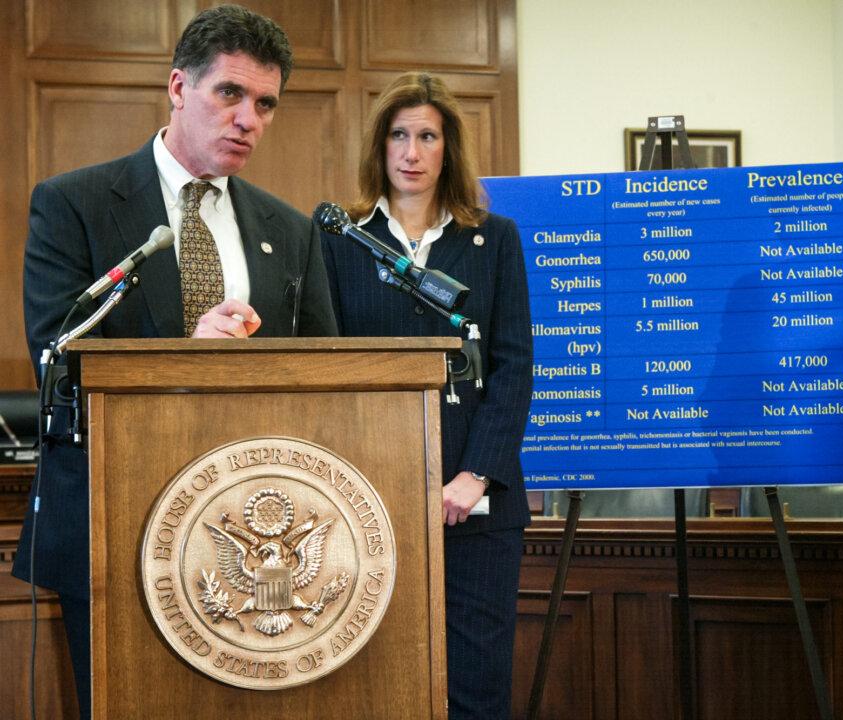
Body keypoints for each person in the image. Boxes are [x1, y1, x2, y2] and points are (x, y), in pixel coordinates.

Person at [13, 5, 336, 717]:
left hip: (249, 528)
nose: (248, 118)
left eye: (265, 104)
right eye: (230, 94)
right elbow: (57, 356)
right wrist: (185, 352)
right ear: (178, 87)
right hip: (114, 514)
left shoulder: (289, 228)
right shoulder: (77, 203)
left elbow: (323, 369)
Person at [320, 71, 532, 719]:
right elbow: (323, 367)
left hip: (477, 503)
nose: (411, 152)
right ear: (380, 147)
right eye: (399, 136)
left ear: (449, 149)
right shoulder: (338, 237)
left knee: (476, 684)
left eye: (428, 136)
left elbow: (514, 365)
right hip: (369, 498)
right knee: (379, 681)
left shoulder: (493, 240)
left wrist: (476, 475)